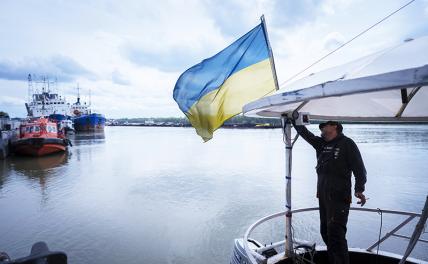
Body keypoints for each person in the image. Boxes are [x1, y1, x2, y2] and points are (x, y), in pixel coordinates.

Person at [292, 114, 367, 264]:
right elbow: (305, 134)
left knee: (336, 235)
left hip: (339, 198)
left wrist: (359, 189)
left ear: (335, 126)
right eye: (321, 126)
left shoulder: (347, 144)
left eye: (325, 125)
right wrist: (294, 120)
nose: (322, 128)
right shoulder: (321, 144)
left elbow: (360, 169)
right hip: (324, 197)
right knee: (325, 232)